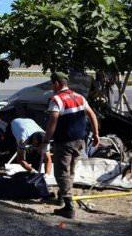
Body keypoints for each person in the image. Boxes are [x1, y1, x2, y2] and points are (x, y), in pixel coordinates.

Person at [43, 72, 100, 219]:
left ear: (57, 83)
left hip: (65, 142)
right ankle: (62, 196)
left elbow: (52, 121)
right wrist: (96, 134)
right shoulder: (79, 97)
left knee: (61, 172)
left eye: (52, 83)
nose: (52, 86)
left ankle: (68, 206)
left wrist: (46, 140)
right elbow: (92, 115)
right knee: (71, 170)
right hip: (79, 141)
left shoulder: (56, 99)